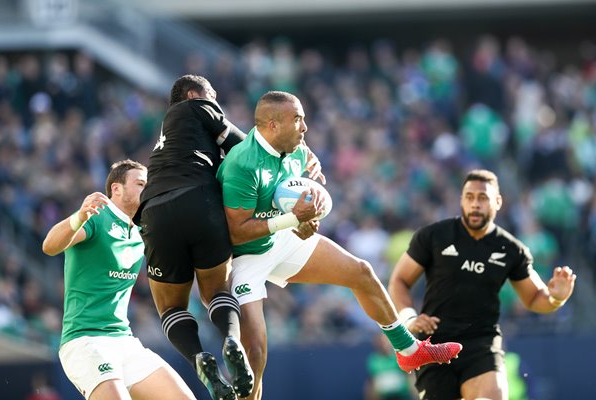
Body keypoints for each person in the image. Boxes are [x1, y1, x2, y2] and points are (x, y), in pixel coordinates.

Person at [216, 90, 462, 400]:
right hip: (243, 257)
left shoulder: (294, 148)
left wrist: (303, 222)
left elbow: (294, 195)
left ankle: (408, 349)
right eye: (297, 120)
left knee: (360, 271)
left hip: (279, 238)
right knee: (256, 352)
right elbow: (236, 233)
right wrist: (292, 219)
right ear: (272, 125)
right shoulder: (243, 164)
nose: (305, 127)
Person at [134, 75, 322, 400]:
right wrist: (296, 155)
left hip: (155, 211)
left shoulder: (168, 139)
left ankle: (198, 357)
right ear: (194, 95)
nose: (216, 100)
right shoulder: (195, 107)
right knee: (216, 292)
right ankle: (230, 340)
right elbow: (250, 145)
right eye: (212, 95)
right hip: (201, 202)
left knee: (171, 307)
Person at [387, 169, 576, 400]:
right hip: (435, 345)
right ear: (461, 201)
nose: (475, 204)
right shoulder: (434, 236)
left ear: (498, 201)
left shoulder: (511, 249)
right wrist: (409, 318)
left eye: (483, 198)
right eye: (469, 197)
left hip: (482, 344)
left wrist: (557, 297)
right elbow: (399, 280)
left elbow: (535, 298)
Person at [42, 160, 195, 400]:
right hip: (85, 341)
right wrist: (78, 217)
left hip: (124, 342)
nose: (148, 190)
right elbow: (49, 246)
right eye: (140, 184)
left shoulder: (140, 231)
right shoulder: (95, 217)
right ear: (116, 189)